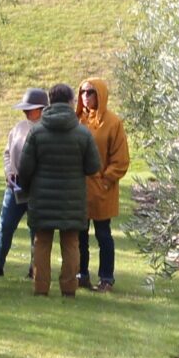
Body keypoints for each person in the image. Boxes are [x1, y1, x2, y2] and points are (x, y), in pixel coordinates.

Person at [17, 82, 100, 299]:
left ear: (49, 102)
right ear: (71, 101)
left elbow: (25, 168)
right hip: (72, 199)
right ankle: (69, 288)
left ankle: (41, 287)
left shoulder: (36, 132)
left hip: (42, 198)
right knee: (71, 243)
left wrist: (25, 188)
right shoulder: (83, 133)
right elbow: (93, 167)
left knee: (42, 242)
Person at [75, 76, 131, 292]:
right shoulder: (76, 120)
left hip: (102, 189)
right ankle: (81, 274)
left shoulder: (113, 123)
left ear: (101, 95)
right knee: (79, 235)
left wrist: (106, 180)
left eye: (90, 92)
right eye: (82, 92)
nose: (85, 97)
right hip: (79, 188)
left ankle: (106, 277)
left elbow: (121, 159)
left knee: (103, 235)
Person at [0, 87, 46, 277]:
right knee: (5, 225)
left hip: (36, 188)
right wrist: (9, 172)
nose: (26, 111)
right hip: (15, 187)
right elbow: (7, 153)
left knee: (36, 231)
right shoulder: (18, 128)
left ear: (42, 108)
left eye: (31, 108)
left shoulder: (47, 129)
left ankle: (34, 269)